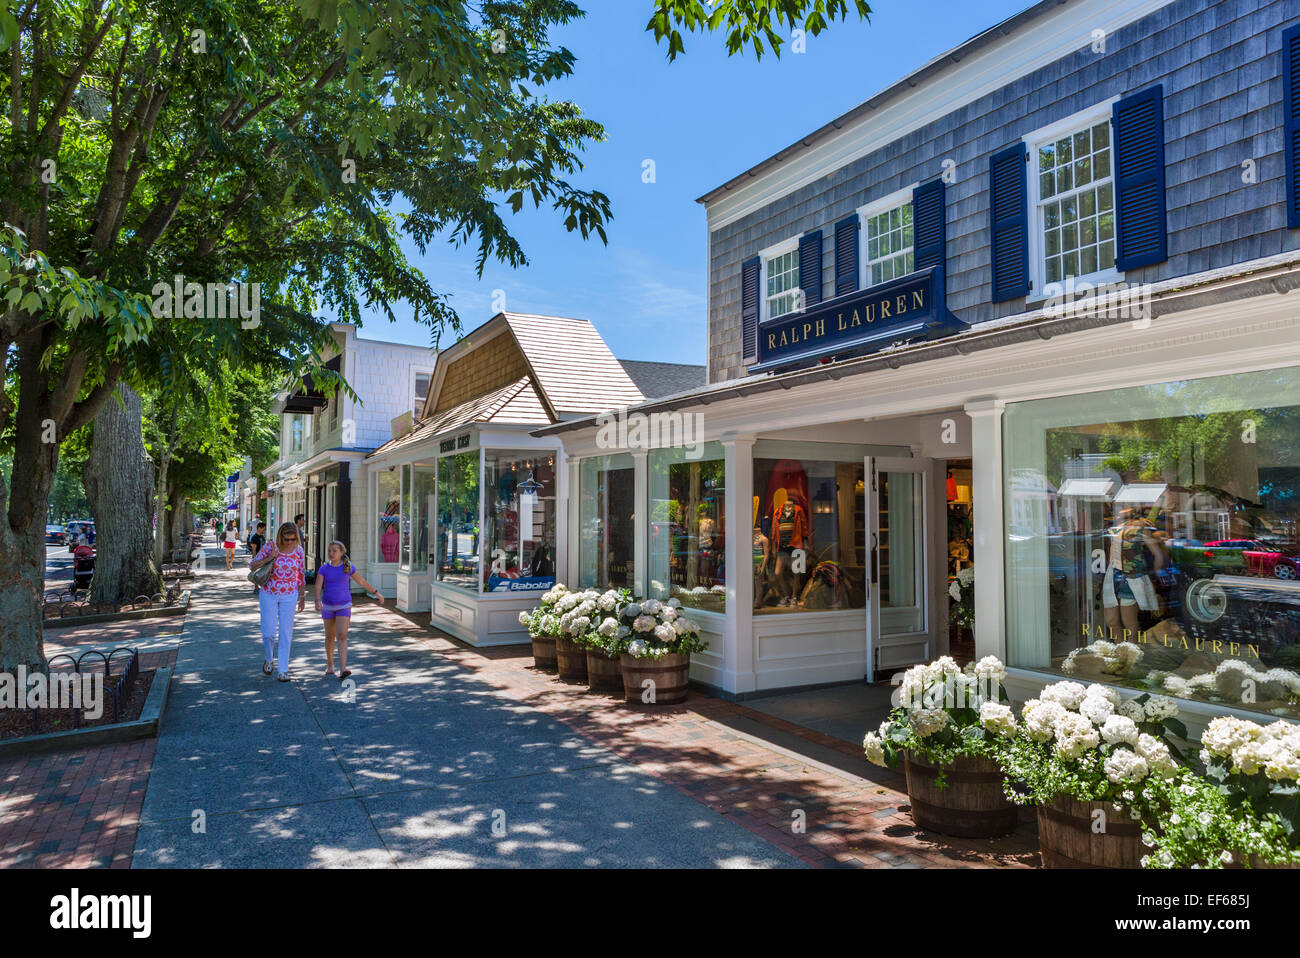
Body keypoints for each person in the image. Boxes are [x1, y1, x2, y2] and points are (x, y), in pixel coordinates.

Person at [314, 540, 384, 681]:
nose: (331, 553)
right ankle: (330, 665)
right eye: (330, 551)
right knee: (329, 636)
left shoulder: (348, 567)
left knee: (342, 636)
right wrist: (316, 600)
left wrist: (376, 592)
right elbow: (317, 586)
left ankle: (343, 668)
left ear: (341, 553)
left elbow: (362, 582)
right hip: (328, 605)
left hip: (344, 605)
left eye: (335, 551)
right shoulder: (324, 568)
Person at [249, 522, 306, 682]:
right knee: (268, 633)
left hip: (290, 595)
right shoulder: (270, 547)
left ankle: (283, 669)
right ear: (281, 536)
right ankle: (269, 658)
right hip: (269, 593)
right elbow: (252, 565)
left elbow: (300, 574)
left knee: (286, 633)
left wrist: (302, 597)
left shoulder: (299, 550)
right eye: (286, 539)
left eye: (293, 539)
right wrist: (270, 557)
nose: (289, 542)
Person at [247, 521, 267, 594]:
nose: (264, 531)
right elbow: (254, 549)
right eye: (263, 529)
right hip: (257, 558)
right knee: (256, 573)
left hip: (264, 558)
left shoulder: (262, 537)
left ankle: (262, 587)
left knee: (263, 573)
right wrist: (255, 559)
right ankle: (256, 587)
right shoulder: (254, 538)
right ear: (259, 528)